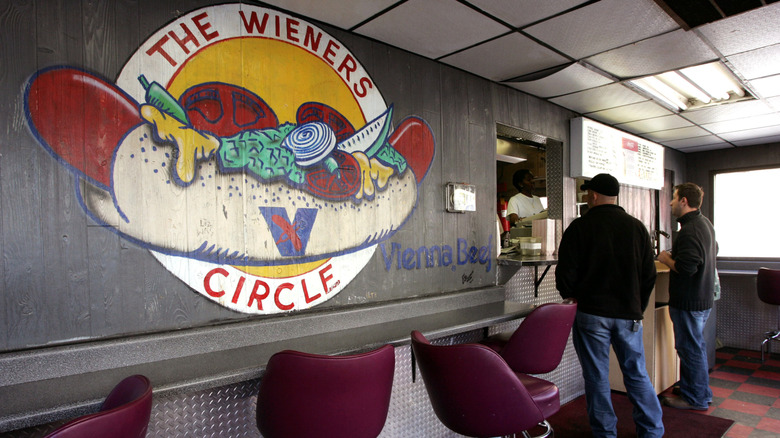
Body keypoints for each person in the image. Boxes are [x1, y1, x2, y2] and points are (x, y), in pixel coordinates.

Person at [556, 173, 663, 438]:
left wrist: (573, 298)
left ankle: (605, 433)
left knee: (597, 377)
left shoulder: (579, 227)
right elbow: (649, 275)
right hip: (629, 314)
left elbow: (565, 275)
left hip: (591, 315)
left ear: (592, 195)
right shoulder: (637, 227)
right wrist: (636, 305)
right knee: (637, 375)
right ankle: (652, 430)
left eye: (587, 194)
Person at [657, 182, 717, 411]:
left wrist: (665, 258)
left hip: (689, 301)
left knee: (690, 349)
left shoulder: (689, 230)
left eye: (673, 198)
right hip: (702, 298)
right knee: (695, 347)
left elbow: (687, 267)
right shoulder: (704, 224)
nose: (671, 202)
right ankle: (700, 390)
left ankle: (695, 398)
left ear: (684, 201)